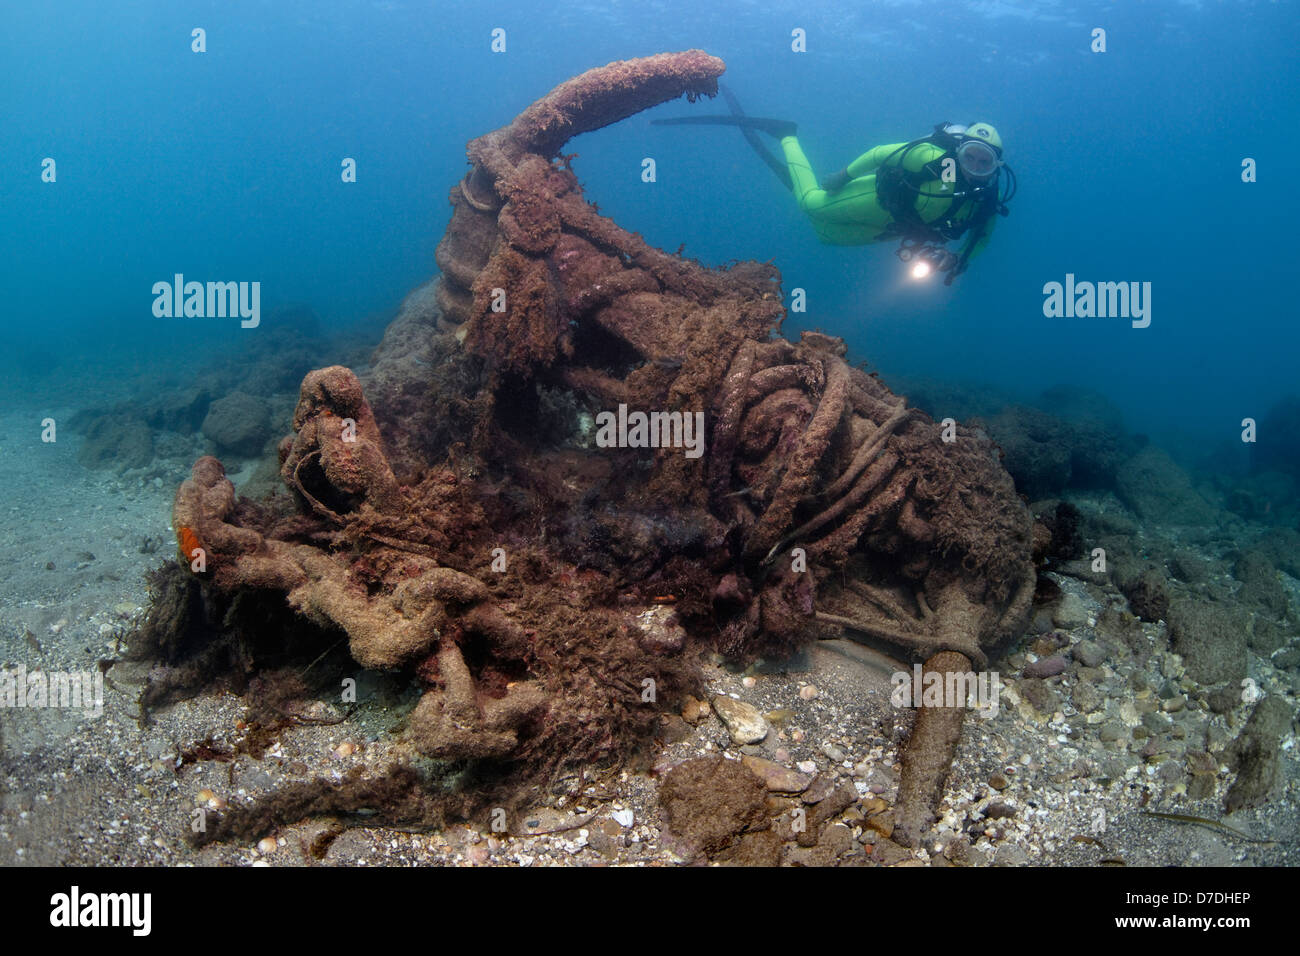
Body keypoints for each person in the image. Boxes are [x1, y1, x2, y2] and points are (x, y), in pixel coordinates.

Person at [652, 87, 1016, 284]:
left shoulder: (987, 197)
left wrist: (959, 259)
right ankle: (786, 135)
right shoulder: (933, 160)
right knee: (810, 205)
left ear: (996, 166)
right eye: (970, 156)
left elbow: (981, 236)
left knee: (825, 235)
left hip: (896, 228)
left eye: (985, 162)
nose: (975, 167)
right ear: (960, 151)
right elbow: (880, 153)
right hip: (876, 198)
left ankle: (795, 177)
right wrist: (843, 175)